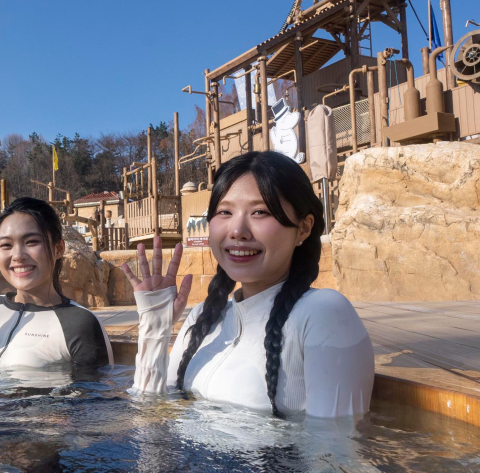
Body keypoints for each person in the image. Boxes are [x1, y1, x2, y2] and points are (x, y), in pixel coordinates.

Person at [123, 151, 374, 418]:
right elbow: (151, 419)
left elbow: (333, 451)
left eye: (260, 212)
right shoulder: (203, 317)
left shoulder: (323, 313)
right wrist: (154, 328)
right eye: (225, 212)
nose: (237, 230)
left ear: (303, 228)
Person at [0, 197, 113, 369]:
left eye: (31, 242)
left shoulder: (78, 323)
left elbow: (93, 402)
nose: (17, 256)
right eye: (6, 245)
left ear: (58, 248)